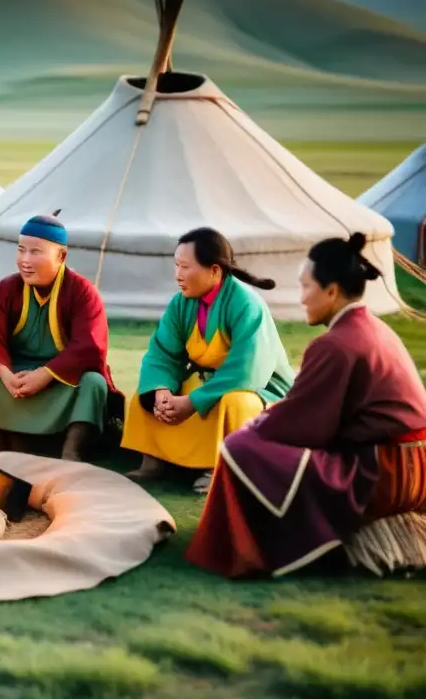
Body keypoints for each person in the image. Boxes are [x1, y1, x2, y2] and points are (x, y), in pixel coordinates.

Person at [186, 233, 426, 578]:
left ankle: (247, 549)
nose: (301, 298)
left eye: (306, 287)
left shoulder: (337, 343)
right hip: (415, 463)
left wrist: (258, 424)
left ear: (331, 291)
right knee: (253, 441)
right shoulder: (375, 328)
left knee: (240, 447)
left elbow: (305, 424)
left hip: (385, 472)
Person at [120, 228, 295, 493]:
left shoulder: (246, 304)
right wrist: (162, 391)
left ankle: (220, 467)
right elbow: (162, 353)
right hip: (207, 381)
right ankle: (155, 461)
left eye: (185, 267)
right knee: (146, 393)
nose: (177, 275)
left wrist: (192, 402)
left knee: (234, 402)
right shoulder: (180, 303)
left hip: (256, 388)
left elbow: (248, 370)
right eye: (176, 266)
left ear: (214, 270)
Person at [0, 212, 123, 461]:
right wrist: (6, 375)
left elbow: (89, 346)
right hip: (16, 373)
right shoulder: (7, 288)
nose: (25, 260)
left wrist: (45, 375)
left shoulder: (82, 292)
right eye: (21, 250)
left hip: (62, 378)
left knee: (93, 384)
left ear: (61, 256)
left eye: (35, 252)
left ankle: (71, 450)